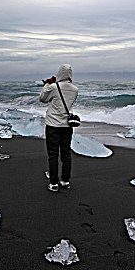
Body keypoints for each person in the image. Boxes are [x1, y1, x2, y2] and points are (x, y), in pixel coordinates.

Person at [39, 64, 79, 192]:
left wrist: (46, 85)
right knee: (66, 153)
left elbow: (43, 99)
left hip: (53, 125)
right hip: (67, 125)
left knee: (53, 154)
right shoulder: (75, 89)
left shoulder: (54, 87)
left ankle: (54, 183)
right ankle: (65, 181)